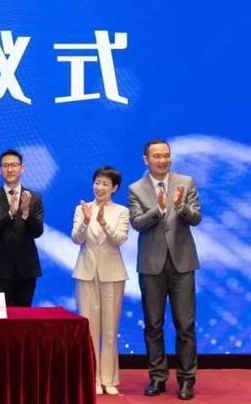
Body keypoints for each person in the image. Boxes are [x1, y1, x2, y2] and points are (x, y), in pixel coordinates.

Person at [128, 140, 202, 400]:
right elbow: (137, 223)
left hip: (183, 264)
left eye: (166, 155)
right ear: (146, 159)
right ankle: (158, 377)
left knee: (185, 325)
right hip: (151, 266)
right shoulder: (135, 188)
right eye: (157, 156)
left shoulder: (186, 182)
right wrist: (158, 209)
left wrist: (180, 206)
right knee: (153, 325)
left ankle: (186, 380)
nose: (163, 160)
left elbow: (196, 217)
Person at [71, 166, 129, 396]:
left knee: (110, 328)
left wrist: (104, 222)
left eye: (105, 184)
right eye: (97, 183)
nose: (100, 187)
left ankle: (109, 378)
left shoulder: (121, 211)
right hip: (86, 272)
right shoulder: (82, 208)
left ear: (114, 188)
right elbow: (76, 239)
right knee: (90, 328)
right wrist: (86, 221)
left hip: (112, 273)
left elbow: (120, 240)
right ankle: (92, 377)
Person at [0, 149, 44, 306]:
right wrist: (10, 213)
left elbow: (38, 231)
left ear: (22, 168)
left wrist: (26, 213)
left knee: (23, 315)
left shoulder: (34, 198)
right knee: (0, 317)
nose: (10, 169)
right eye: (5, 165)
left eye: (14, 165)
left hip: (27, 268)